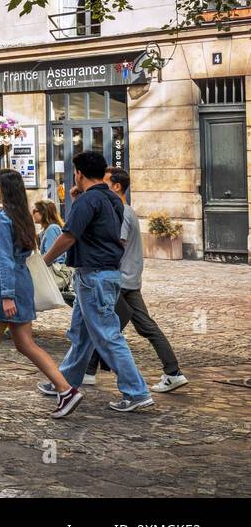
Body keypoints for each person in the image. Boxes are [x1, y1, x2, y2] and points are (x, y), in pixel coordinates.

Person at [0, 169, 80, 417]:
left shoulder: (3, 219)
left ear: (3, 188)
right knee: (25, 344)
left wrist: (6, 295)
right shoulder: (22, 216)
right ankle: (65, 390)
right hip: (22, 280)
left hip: (6, 284)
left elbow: (5, 259)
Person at [38, 151, 154, 413]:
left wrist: (43, 261)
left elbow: (69, 236)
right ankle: (65, 383)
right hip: (105, 274)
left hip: (94, 276)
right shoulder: (113, 199)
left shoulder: (87, 201)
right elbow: (102, 232)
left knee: (108, 336)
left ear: (79, 173)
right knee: (81, 334)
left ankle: (137, 391)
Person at [81, 168, 188, 394]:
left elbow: (115, 245)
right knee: (139, 327)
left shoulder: (120, 212)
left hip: (119, 280)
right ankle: (173, 372)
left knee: (105, 329)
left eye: (105, 182)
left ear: (117, 186)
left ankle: (128, 383)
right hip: (129, 280)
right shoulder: (126, 210)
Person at [32, 199, 71, 289]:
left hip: (54, 273)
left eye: (35, 211)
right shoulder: (45, 231)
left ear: (44, 212)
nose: (32, 214)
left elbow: (52, 256)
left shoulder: (52, 229)